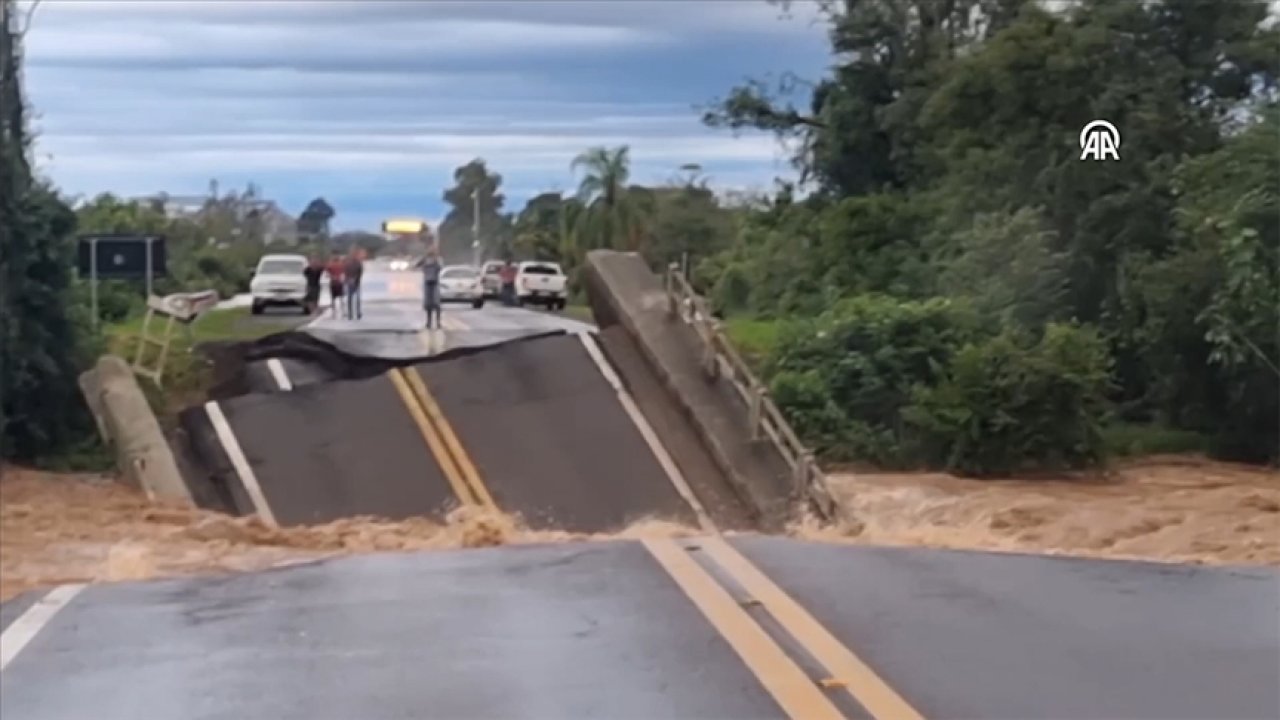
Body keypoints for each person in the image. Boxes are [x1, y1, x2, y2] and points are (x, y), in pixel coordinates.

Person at [417, 247, 443, 329]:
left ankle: (438, 322)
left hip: (435, 282)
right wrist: (423, 260)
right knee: (428, 304)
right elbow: (416, 265)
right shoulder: (424, 259)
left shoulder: (437, 259)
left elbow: (440, 267)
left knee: (436, 303)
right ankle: (428, 323)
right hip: (427, 282)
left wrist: (436, 261)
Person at [343, 248, 365, 320]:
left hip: (356, 282)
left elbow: (360, 272)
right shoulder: (347, 263)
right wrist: (348, 279)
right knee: (350, 298)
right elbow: (345, 272)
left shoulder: (358, 263)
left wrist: (356, 279)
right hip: (350, 282)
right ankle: (350, 313)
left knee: (357, 299)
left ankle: (358, 312)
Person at [325, 253, 346, 318]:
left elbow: (327, 274)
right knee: (340, 298)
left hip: (334, 283)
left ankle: (335, 312)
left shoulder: (331, 265)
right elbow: (344, 273)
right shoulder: (340, 265)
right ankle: (341, 312)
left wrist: (332, 277)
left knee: (334, 299)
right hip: (338, 283)